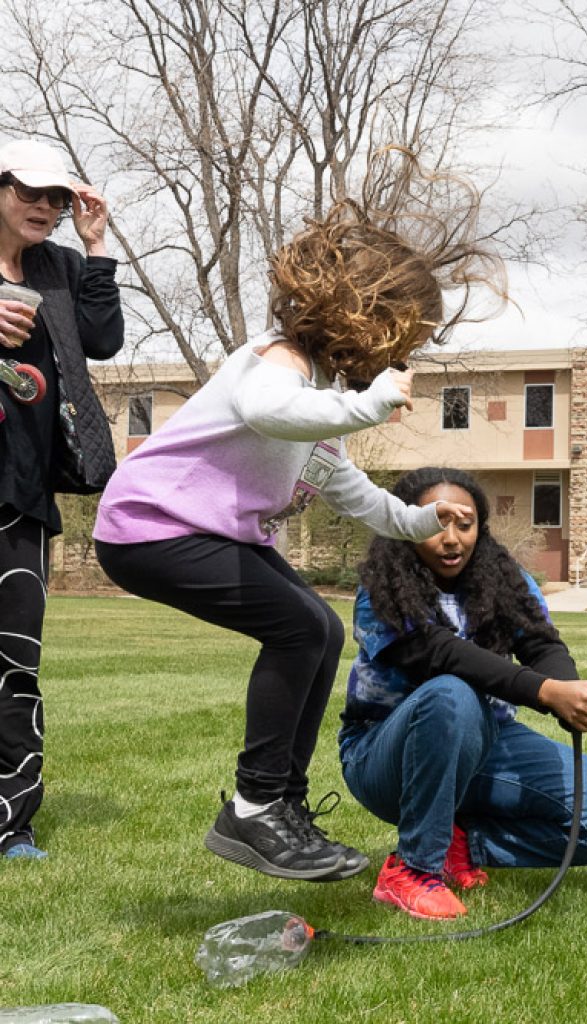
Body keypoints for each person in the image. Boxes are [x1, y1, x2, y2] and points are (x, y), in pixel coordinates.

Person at [93, 154, 504, 882]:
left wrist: (417, 520)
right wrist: (367, 404)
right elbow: (264, 411)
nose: (408, 352)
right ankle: (255, 809)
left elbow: (343, 486)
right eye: (405, 334)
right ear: (365, 320)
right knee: (297, 626)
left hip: (208, 534)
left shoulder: (319, 404)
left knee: (322, 628)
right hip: (148, 528)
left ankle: (276, 806)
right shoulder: (276, 361)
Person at [339, 467, 587, 920]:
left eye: (464, 525)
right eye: (436, 523)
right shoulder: (380, 587)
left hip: (488, 741)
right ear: (406, 524)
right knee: (450, 692)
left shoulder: (503, 576)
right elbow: (444, 655)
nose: (451, 539)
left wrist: (567, 688)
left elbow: (540, 642)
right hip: (382, 756)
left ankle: (461, 845)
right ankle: (413, 868)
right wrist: (543, 692)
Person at [0, 140, 124, 860]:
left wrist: (97, 246)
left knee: (15, 659)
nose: (45, 207)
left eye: (59, 197)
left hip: (21, 491)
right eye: (30, 192)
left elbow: (103, 339)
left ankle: (11, 821)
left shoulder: (61, 268)